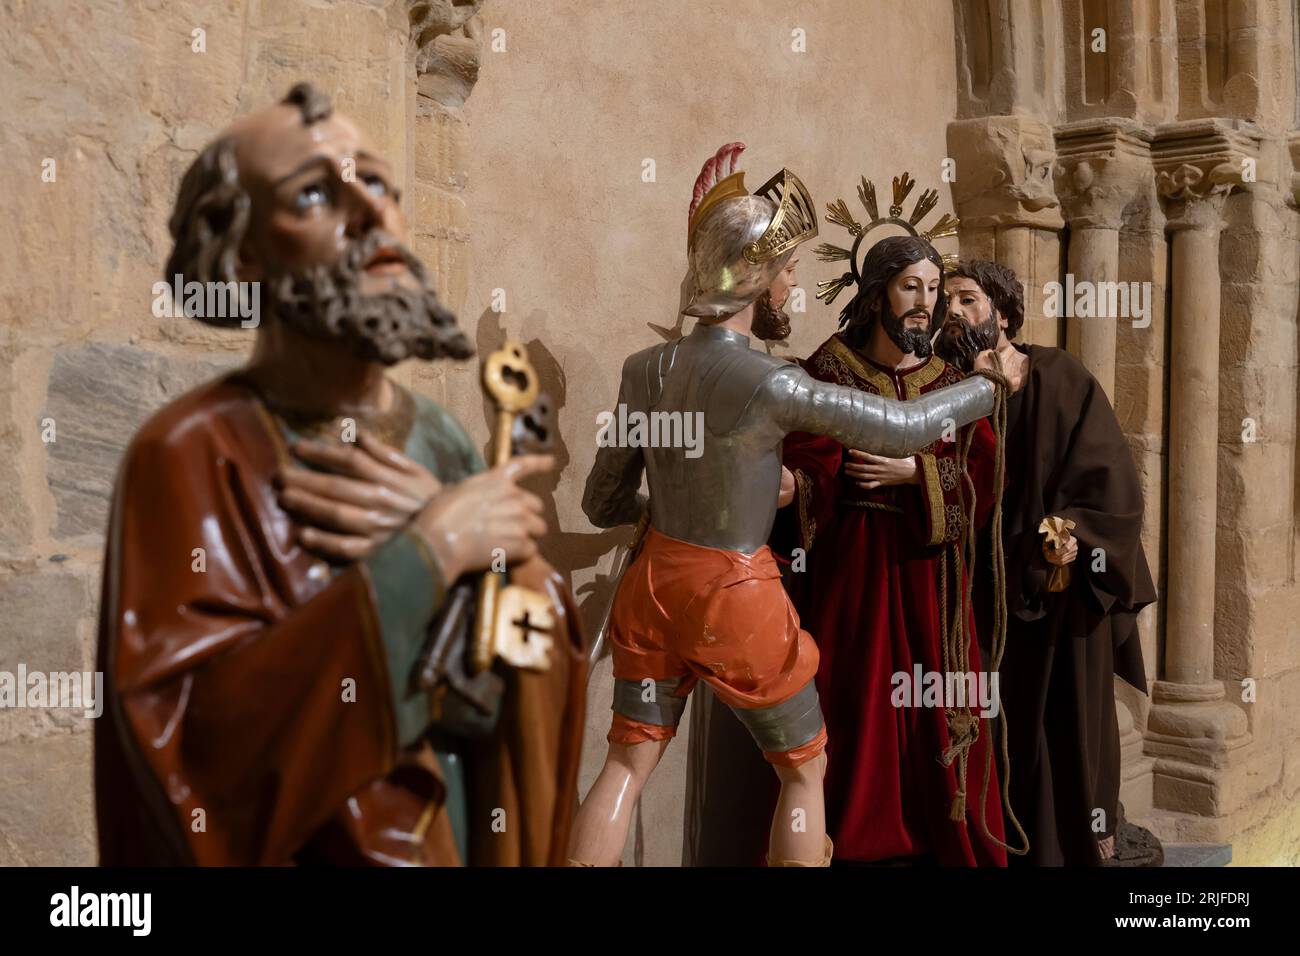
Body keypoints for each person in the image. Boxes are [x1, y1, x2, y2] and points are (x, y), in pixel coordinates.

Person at [94, 83, 586, 866]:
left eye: (381, 184)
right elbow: (193, 745)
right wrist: (423, 557)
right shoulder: (189, 452)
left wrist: (504, 564)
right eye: (316, 193)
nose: (373, 214)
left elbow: (519, 662)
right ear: (244, 250)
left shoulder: (444, 440)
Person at [571, 143, 1002, 867]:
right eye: (786, 271)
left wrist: (676, 501)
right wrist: (990, 386)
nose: (792, 286)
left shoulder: (644, 368)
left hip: (651, 587)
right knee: (804, 769)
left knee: (624, 765)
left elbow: (601, 498)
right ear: (756, 278)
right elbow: (900, 427)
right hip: (734, 591)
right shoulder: (773, 382)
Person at [937, 259, 1155, 866]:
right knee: (990, 727)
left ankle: (1086, 838)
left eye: (968, 299)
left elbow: (1111, 482)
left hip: (1057, 585)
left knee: (1070, 721)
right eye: (946, 302)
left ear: (1003, 314)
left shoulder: (1059, 376)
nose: (953, 311)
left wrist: (1070, 536)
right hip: (977, 591)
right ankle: (996, 842)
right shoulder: (942, 388)